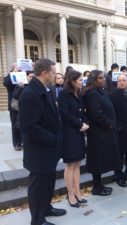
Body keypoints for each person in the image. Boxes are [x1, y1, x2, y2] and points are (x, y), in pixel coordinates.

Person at [19, 58, 66, 225]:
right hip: (39, 151)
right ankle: (37, 220)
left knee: (48, 183)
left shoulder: (45, 89)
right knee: (38, 187)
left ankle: (46, 208)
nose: (55, 75)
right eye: (53, 73)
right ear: (45, 73)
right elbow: (29, 127)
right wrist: (52, 138)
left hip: (49, 150)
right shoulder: (30, 94)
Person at [83, 70, 121, 196]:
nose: (104, 80)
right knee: (97, 159)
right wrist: (109, 123)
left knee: (101, 159)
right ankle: (96, 187)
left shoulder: (101, 91)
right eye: (100, 78)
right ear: (94, 80)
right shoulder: (92, 93)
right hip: (98, 132)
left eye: (103, 78)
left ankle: (99, 185)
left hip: (105, 131)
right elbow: (96, 114)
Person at [58, 70, 89, 208]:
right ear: (71, 81)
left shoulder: (79, 94)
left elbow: (82, 112)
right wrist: (79, 124)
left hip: (79, 132)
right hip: (69, 133)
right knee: (70, 165)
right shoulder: (64, 94)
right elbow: (64, 114)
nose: (82, 82)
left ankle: (77, 191)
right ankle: (70, 194)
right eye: (80, 80)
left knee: (77, 164)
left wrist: (86, 123)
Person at [10, 70, 35, 151]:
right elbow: (15, 96)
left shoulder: (33, 85)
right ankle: (17, 144)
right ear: (26, 77)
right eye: (30, 76)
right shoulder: (20, 85)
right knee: (16, 128)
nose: (32, 78)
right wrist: (20, 87)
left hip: (27, 109)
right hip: (17, 110)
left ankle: (24, 143)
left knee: (24, 127)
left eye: (33, 77)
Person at [3, 64, 20, 150]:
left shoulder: (24, 75)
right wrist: (13, 72)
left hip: (24, 104)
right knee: (15, 125)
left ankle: (23, 141)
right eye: (16, 67)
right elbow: (6, 84)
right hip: (14, 105)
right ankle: (16, 143)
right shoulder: (9, 77)